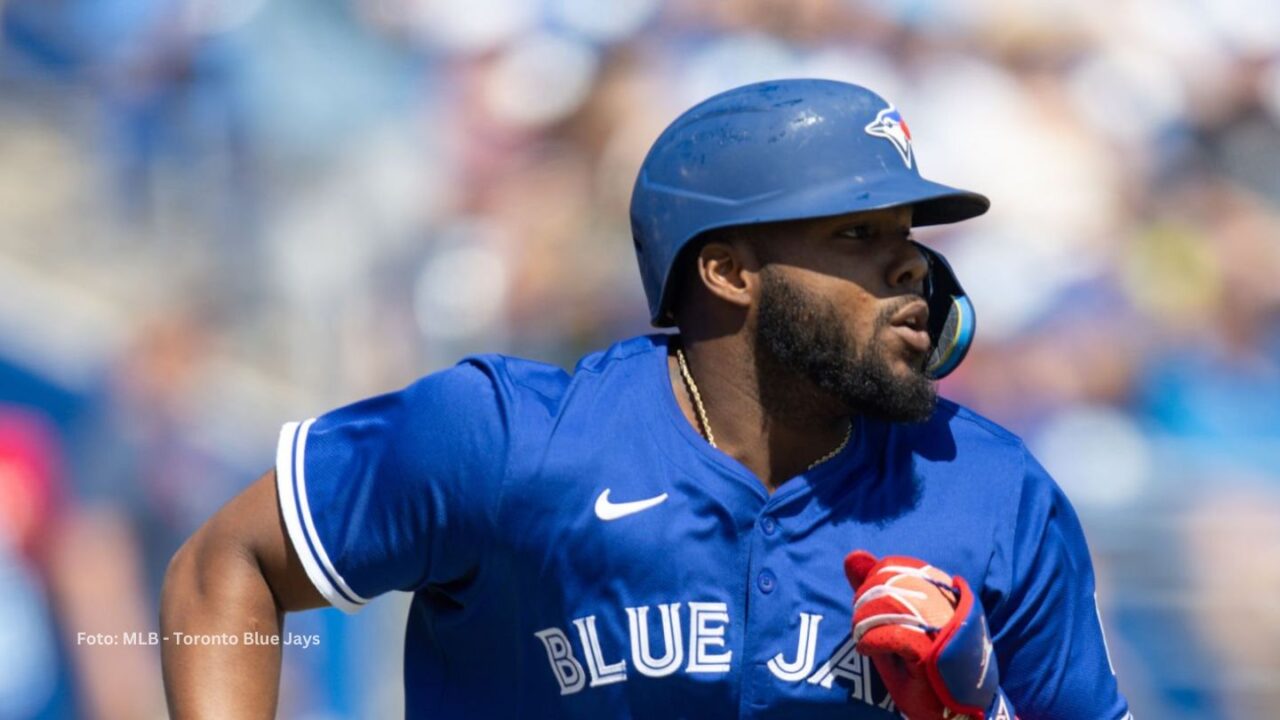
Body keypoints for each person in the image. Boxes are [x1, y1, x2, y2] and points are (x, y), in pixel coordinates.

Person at [161, 79, 1132, 719]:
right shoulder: (505, 440)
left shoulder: (992, 490)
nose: (909, 267)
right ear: (726, 271)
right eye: (856, 234)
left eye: (909, 237)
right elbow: (228, 564)